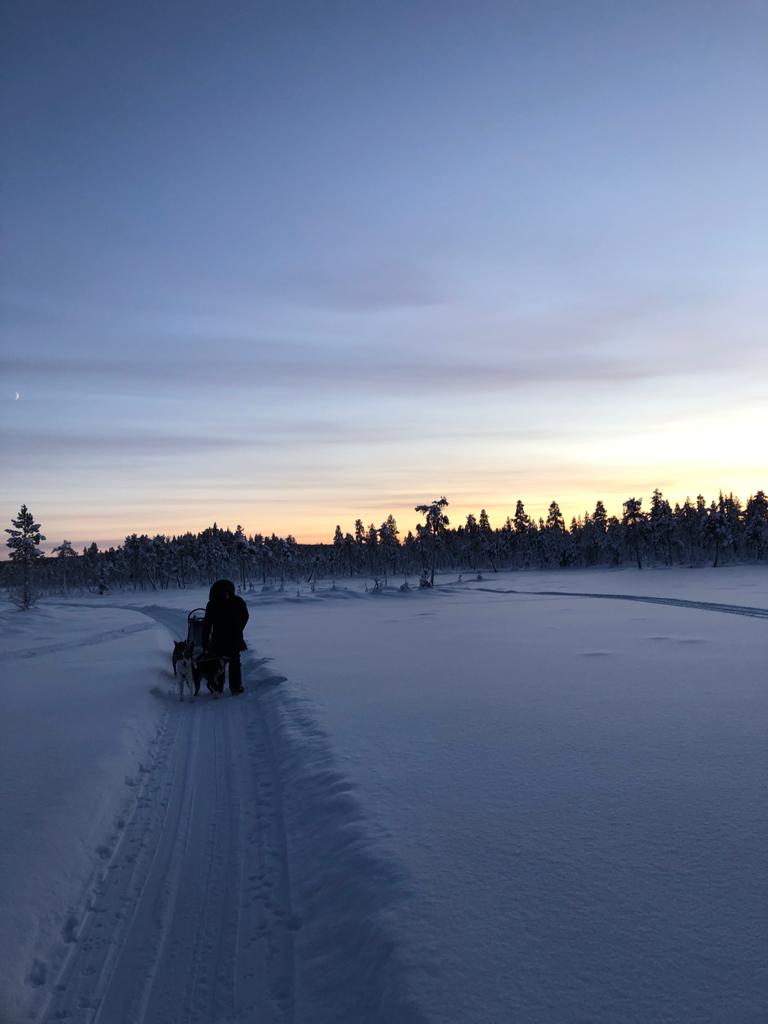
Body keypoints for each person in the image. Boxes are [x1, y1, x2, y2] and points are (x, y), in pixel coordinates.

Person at [202, 579, 249, 694]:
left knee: (218, 663)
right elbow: (246, 616)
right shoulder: (238, 601)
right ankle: (236, 687)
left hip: (218, 639)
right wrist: (239, 628)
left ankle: (218, 687)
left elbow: (207, 624)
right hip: (235, 639)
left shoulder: (212, 603)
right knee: (235, 663)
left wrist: (205, 641)